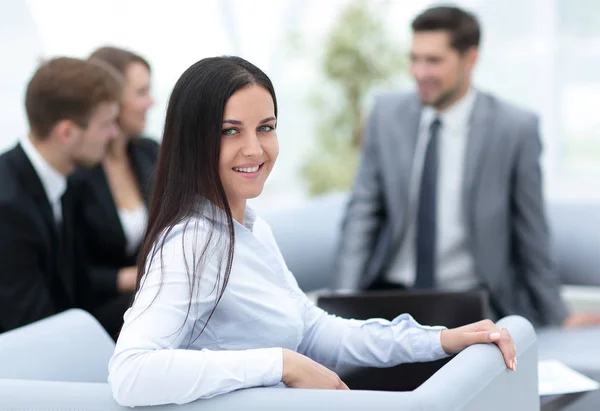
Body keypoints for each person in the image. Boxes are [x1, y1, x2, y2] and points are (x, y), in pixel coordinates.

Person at [108, 56, 516, 407]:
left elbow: (317, 330)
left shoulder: (250, 230)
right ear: (193, 142)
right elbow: (131, 372)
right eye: (230, 130)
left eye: (265, 127)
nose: (255, 149)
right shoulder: (191, 243)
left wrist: (441, 339)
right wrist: (282, 363)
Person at [333, 6, 600, 328]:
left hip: (472, 301)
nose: (419, 72)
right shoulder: (386, 115)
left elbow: (531, 233)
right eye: (414, 58)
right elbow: (363, 213)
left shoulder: (514, 129)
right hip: (390, 295)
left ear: (470, 58)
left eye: (433, 61)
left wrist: (557, 316)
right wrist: (340, 305)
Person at [0, 57, 121, 332]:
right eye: (105, 125)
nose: (114, 134)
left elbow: (76, 288)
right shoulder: (7, 206)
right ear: (66, 133)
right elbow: (32, 326)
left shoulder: (67, 181)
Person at [71, 46, 157, 338]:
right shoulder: (77, 176)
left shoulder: (149, 153)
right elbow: (71, 273)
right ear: (111, 101)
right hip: (108, 310)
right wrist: (133, 277)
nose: (151, 102)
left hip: (154, 292)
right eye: (142, 92)